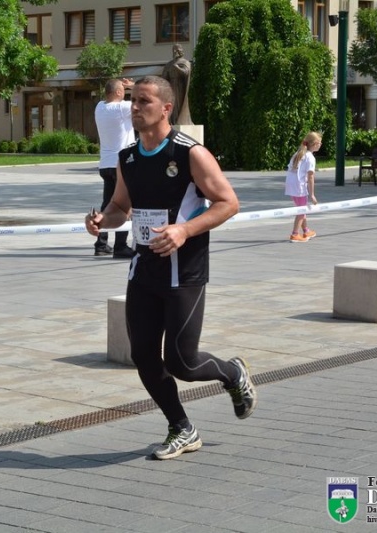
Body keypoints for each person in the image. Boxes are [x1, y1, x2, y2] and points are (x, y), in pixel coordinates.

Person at [85, 76, 257, 460]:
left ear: (165, 108)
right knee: (144, 356)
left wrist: (184, 230)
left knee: (182, 361)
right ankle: (181, 427)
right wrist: (101, 220)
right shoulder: (127, 158)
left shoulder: (190, 153)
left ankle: (233, 373)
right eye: (132, 100)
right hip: (144, 270)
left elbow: (228, 203)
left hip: (185, 271)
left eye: (143, 101)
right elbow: (120, 208)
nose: (134, 107)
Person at [93, 78, 135, 258]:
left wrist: (123, 87)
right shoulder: (123, 108)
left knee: (107, 204)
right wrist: (134, 86)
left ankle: (101, 244)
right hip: (121, 163)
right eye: (123, 90)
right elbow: (143, 102)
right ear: (118, 92)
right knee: (123, 206)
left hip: (105, 163)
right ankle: (120, 246)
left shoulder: (99, 107)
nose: (125, 93)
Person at [284, 131, 321, 243]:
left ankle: (306, 230)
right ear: (314, 144)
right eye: (319, 143)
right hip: (299, 185)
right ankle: (295, 234)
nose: (321, 145)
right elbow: (310, 177)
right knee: (302, 210)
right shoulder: (310, 157)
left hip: (291, 184)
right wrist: (312, 194)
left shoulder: (298, 153)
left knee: (301, 207)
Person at [161, 44, 192, 126]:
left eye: (177, 50)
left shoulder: (185, 62)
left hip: (180, 86)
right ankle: (172, 120)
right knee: (172, 103)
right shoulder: (169, 64)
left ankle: (179, 120)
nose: (175, 52)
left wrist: (177, 68)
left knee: (178, 104)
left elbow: (186, 72)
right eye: (173, 50)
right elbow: (164, 78)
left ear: (181, 51)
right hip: (171, 86)